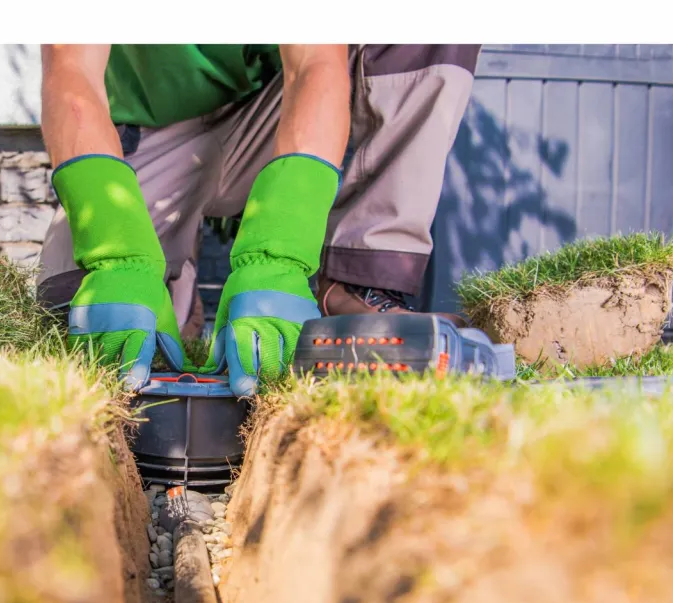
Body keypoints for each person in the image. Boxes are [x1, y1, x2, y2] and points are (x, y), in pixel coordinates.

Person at [37, 44, 482, 396]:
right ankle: (174, 284)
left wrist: (278, 258)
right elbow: (69, 70)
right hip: (150, 134)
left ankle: (356, 280)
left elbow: (315, 64)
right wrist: (117, 257)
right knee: (72, 315)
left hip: (276, 116)